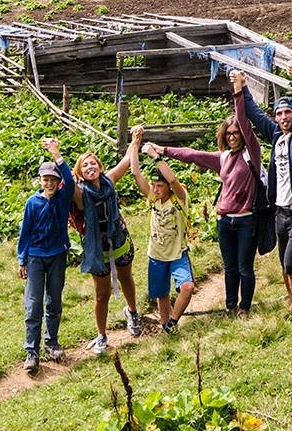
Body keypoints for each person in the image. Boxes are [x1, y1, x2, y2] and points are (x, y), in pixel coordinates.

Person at [154, 70, 262, 317]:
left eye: (236, 134)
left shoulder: (251, 154)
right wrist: (164, 150)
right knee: (230, 267)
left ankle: (245, 308)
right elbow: (192, 154)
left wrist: (238, 90)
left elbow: (244, 122)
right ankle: (230, 305)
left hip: (246, 220)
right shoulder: (222, 158)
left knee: (245, 267)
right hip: (224, 221)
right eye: (229, 134)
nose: (233, 137)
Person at [241, 60, 292, 311]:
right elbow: (254, 113)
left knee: (291, 262)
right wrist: (243, 87)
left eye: (288, 112)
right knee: (282, 260)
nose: (283, 117)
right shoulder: (276, 135)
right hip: (280, 210)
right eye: (279, 113)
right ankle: (291, 297)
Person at [72, 125, 143, 355]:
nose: (90, 166)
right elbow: (65, 177)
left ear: (100, 167)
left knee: (126, 278)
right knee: (101, 293)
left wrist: (136, 139)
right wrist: (56, 155)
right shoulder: (80, 193)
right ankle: (102, 335)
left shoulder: (110, 180)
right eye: (85, 165)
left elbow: (126, 159)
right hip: (97, 248)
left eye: (93, 163)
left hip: (119, 238)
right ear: (80, 173)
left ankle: (132, 312)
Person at [18, 139, 77, 372]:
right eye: (46, 179)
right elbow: (25, 232)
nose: (50, 183)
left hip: (57, 255)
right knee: (33, 304)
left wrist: (56, 154)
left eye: (54, 179)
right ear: (40, 181)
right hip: (35, 257)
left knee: (54, 301)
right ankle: (31, 352)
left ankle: (51, 343)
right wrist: (21, 259)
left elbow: (70, 180)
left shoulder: (63, 199)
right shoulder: (32, 202)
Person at [131, 141, 195, 333]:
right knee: (162, 294)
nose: (156, 189)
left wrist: (155, 156)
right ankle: (166, 326)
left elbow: (174, 181)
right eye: (154, 185)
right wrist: (135, 143)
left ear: (168, 187)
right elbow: (135, 173)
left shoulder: (180, 198)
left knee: (188, 287)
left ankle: (173, 321)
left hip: (178, 254)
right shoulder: (153, 198)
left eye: (160, 185)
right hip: (156, 255)